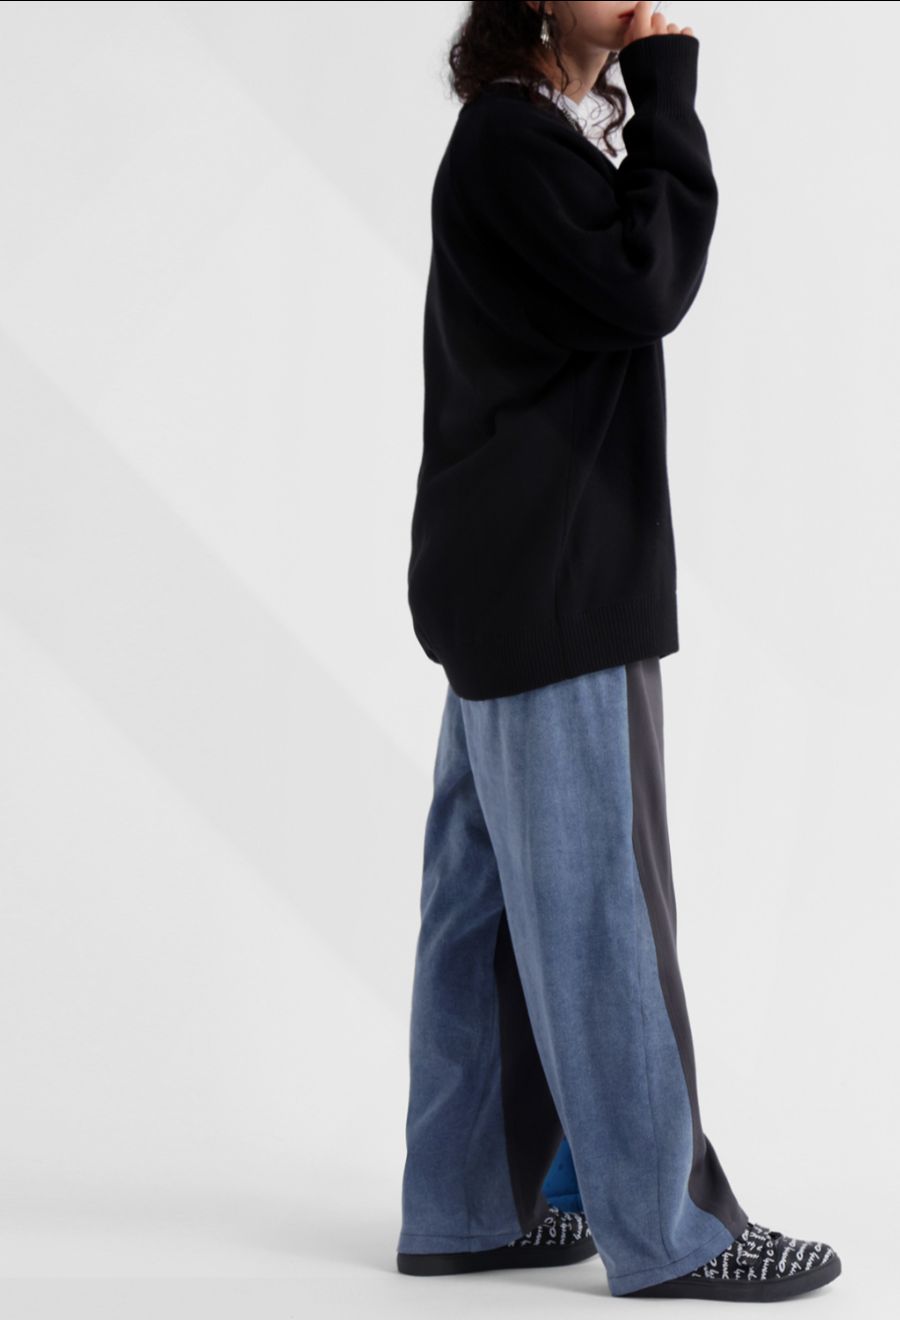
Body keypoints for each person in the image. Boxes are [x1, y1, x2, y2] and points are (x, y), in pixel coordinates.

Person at [396, 0, 841, 1302]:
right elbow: (651, 284)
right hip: (554, 584)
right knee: (600, 909)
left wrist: (635, 107)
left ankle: (470, 1207)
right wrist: (671, 92)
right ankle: (670, 1229)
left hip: (508, 579)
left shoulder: (525, 140)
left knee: (484, 915)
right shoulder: (516, 142)